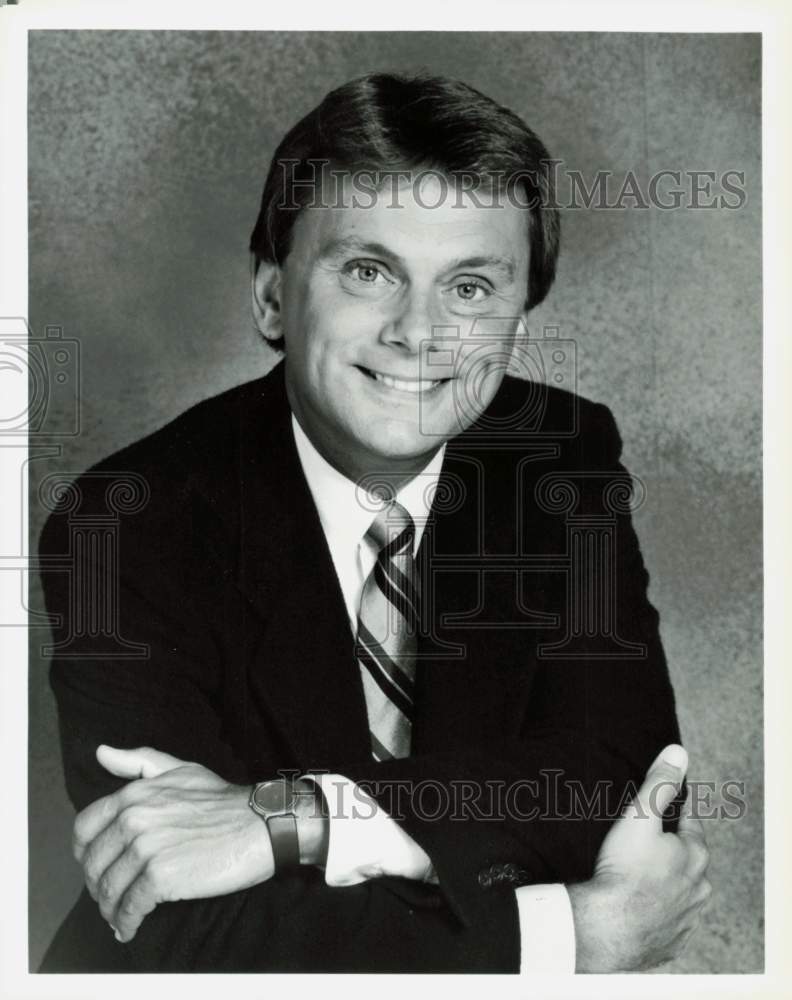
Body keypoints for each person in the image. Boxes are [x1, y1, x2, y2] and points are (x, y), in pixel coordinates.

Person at [38, 73, 710, 973]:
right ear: (273, 297)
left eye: (469, 287)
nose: (419, 332)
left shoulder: (560, 457)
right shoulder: (124, 525)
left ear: (518, 316)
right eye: (367, 271)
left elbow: (626, 788)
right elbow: (176, 923)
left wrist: (300, 817)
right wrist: (568, 936)